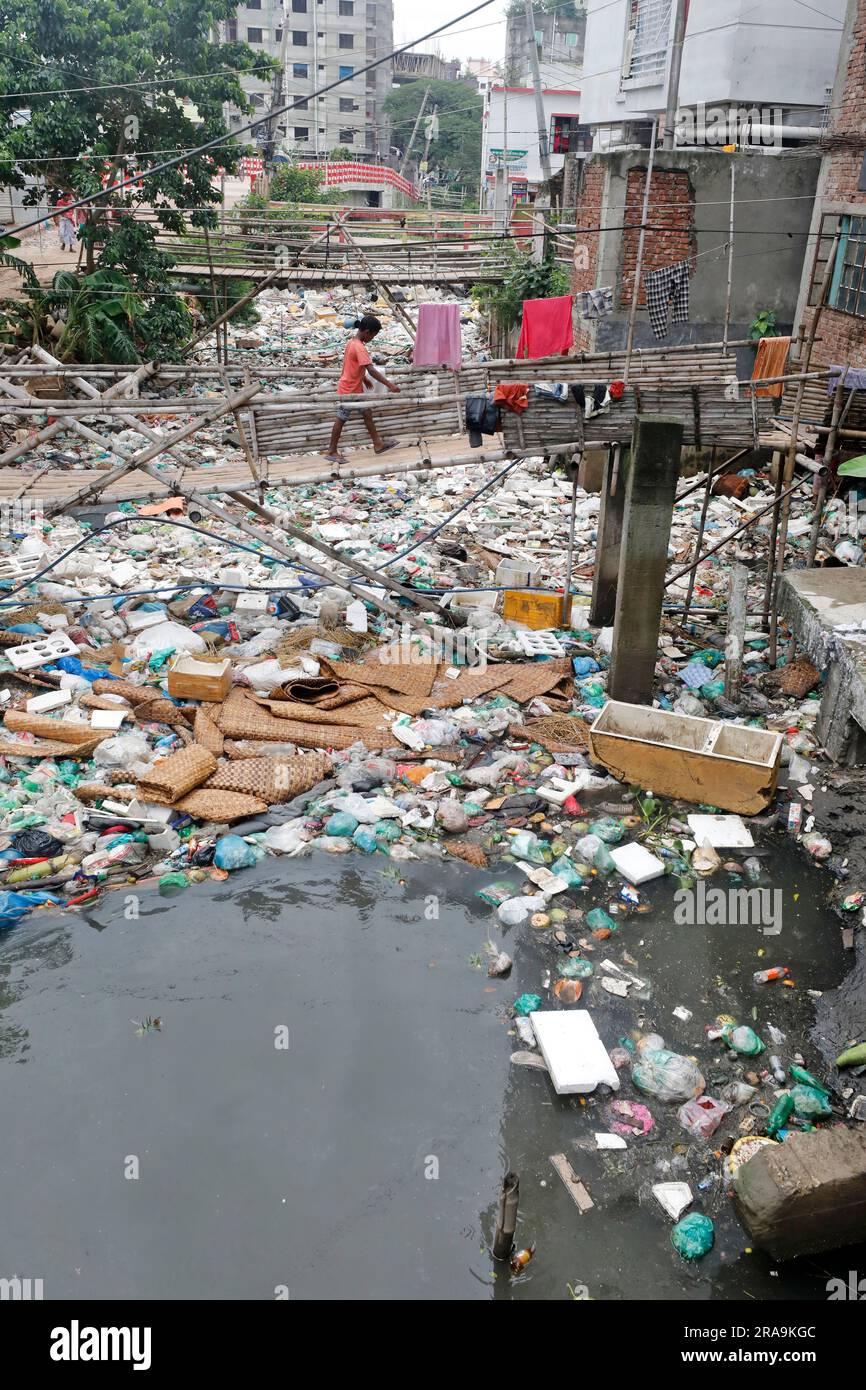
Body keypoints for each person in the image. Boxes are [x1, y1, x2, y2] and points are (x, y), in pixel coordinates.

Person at [326, 314, 400, 464]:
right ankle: (332, 451)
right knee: (341, 419)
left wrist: (363, 378)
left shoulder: (352, 343)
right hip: (349, 390)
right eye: (373, 335)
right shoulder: (359, 348)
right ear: (367, 332)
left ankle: (378, 444)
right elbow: (371, 369)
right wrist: (390, 385)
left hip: (354, 387)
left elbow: (351, 365)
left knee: (367, 412)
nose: (372, 338)